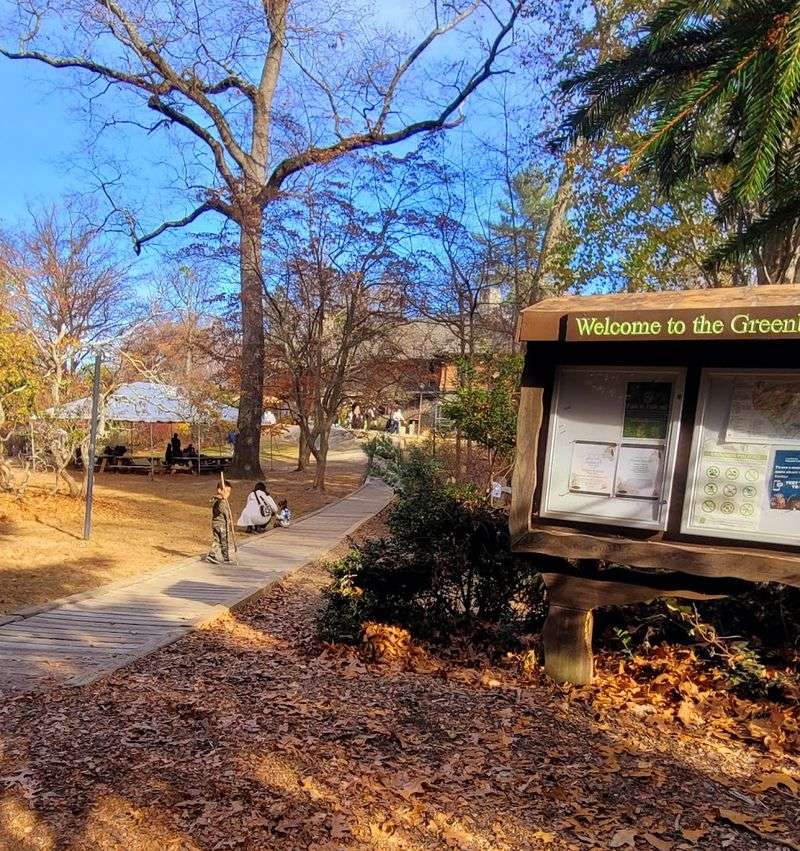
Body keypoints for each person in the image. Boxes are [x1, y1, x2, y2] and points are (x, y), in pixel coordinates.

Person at [207, 481, 234, 563]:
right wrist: (219, 497)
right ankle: (226, 557)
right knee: (224, 540)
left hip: (219, 523)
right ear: (219, 490)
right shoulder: (219, 500)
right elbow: (211, 502)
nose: (228, 494)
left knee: (217, 540)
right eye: (226, 491)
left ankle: (212, 555)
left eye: (229, 492)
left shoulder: (224, 501)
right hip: (220, 524)